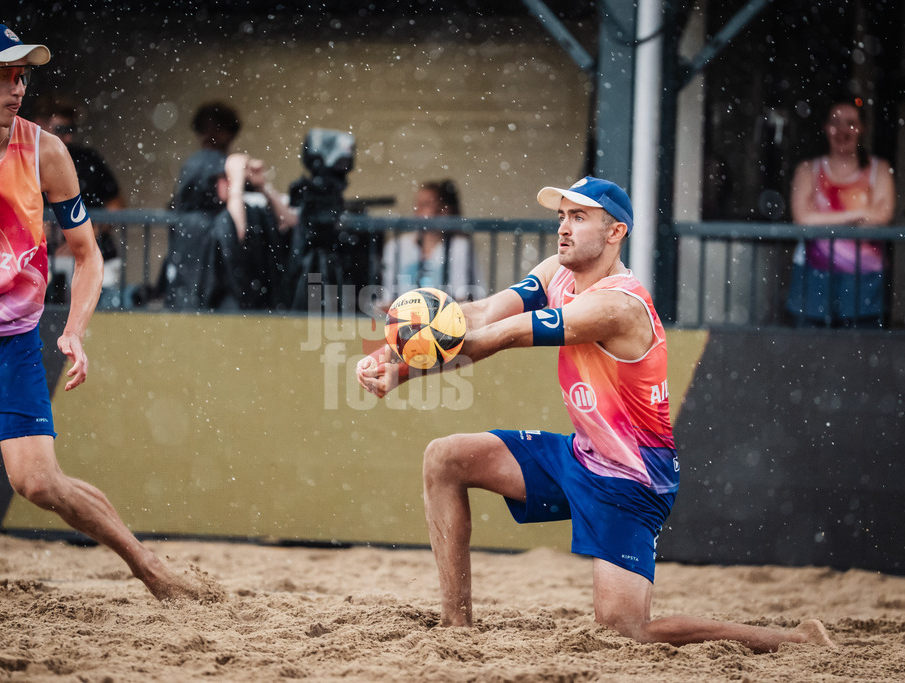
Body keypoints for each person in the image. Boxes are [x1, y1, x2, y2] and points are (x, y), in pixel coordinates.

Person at [357, 176, 834, 652]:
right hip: (581, 457)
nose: (563, 228)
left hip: (631, 480)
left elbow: (505, 335)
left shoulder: (619, 306)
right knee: (445, 459)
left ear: (615, 232)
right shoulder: (556, 272)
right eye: (562, 216)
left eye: (578, 217)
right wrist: (391, 348)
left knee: (627, 630)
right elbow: (481, 314)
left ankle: (793, 639)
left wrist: (403, 368)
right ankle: (455, 628)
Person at [0, 24, 199, 602]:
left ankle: (150, 570)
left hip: (9, 337)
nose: (18, 86)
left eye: (23, 75)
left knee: (37, 482)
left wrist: (75, 331)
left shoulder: (45, 152)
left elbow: (89, 257)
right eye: (4, 74)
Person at [163, 101, 297, 310]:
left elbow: (288, 221)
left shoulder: (225, 170)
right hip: (208, 284)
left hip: (237, 285)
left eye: (219, 127)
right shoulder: (199, 166)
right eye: (206, 128)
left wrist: (263, 186)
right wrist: (235, 177)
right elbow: (237, 230)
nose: (212, 134)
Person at [786, 97, 896, 327]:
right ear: (826, 128)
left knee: (861, 354)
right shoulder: (808, 170)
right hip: (813, 278)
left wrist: (822, 219)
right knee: (810, 353)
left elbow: (882, 216)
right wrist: (856, 215)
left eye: (850, 123)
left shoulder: (880, 169)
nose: (842, 130)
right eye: (835, 122)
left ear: (861, 128)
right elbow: (802, 218)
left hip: (866, 281)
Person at [34, 97, 126, 304]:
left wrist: (87, 232)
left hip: (93, 255)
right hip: (44, 259)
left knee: (105, 306)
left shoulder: (88, 159)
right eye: (60, 129)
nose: (66, 137)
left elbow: (117, 206)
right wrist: (36, 228)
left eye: (71, 129)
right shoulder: (25, 159)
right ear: (40, 124)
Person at [381, 179, 482, 304]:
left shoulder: (459, 246)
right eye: (417, 204)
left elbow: (462, 295)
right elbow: (388, 296)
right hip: (404, 316)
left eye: (426, 204)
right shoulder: (397, 246)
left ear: (444, 210)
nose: (417, 209)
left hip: (445, 317)